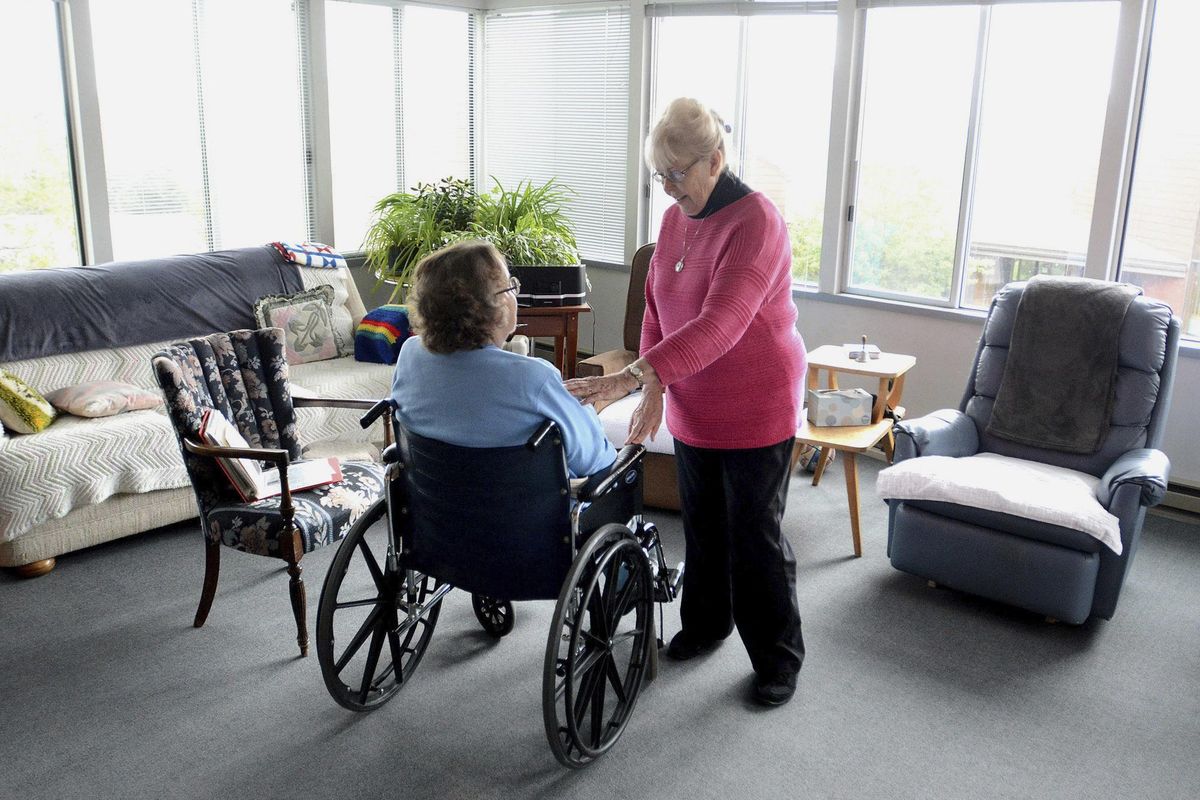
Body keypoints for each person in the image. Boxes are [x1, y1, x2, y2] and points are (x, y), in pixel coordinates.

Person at [565, 97, 807, 706]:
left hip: (756, 404)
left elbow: (720, 325)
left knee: (754, 536)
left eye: (678, 174)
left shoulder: (757, 223)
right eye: (660, 176)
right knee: (701, 528)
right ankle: (705, 626)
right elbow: (657, 310)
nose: (669, 189)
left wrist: (627, 381)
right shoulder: (676, 220)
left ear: (715, 160)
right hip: (696, 402)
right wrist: (654, 383)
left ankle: (779, 659)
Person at [391, 240, 615, 479]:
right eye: (510, 285)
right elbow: (593, 460)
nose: (514, 293)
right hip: (524, 515)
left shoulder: (410, 354)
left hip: (433, 511)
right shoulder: (534, 378)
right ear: (493, 305)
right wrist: (586, 412)